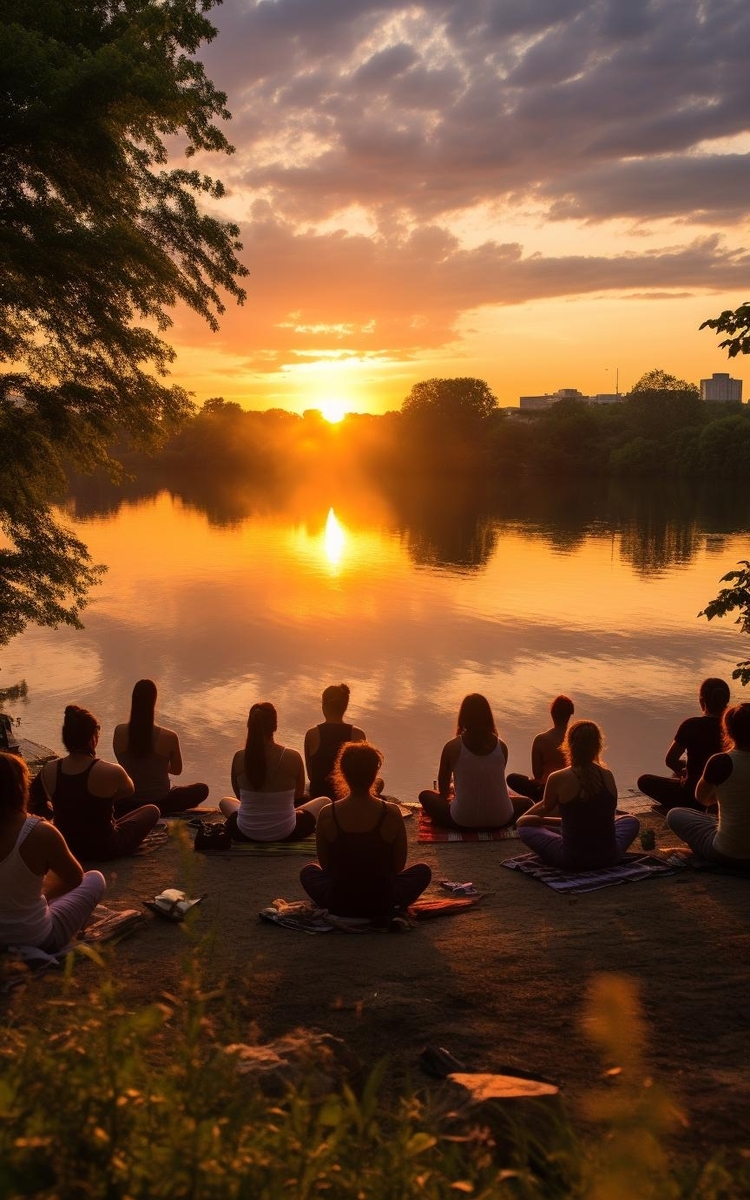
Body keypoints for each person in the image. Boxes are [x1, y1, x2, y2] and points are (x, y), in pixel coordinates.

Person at [300, 742, 431, 918]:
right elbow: (398, 866)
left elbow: (326, 867)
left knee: (309, 872)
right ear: (375, 773)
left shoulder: (327, 813)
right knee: (423, 871)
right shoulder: (391, 812)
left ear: (343, 773)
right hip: (383, 901)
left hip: (339, 903)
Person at [0, 751, 106, 951]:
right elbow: (75, 878)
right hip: (35, 937)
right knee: (95, 878)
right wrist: (45, 894)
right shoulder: (40, 832)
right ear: (20, 788)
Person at [30, 705, 160, 860]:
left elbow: (34, 798)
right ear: (92, 739)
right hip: (105, 848)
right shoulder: (111, 771)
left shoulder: (49, 770)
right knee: (152, 810)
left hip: (67, 846)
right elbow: (129, 790)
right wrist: (99, 801)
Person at [517, 720, 640, 870]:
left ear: (568, 745)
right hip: (609, 856)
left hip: (572, 859)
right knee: (631, 820)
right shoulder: (607, 775)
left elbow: (544, 808)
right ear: (598, 746)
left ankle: (565, 829)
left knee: (525, 828)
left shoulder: (557, 777)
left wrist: (525, 820)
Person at [219, 702, 330, 842]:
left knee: (225, 801)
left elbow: (239, 795)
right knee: (325, 801)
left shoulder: (239, 757)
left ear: (249, 725)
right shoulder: (292, 756)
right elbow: (298, 794)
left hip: (244, 831)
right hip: (286, 831)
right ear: (275, 726)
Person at [418, 693, 531, 828]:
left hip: (463, 820)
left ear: (464, 717)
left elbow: (443, 791)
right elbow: (489, 780)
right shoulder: (502, 746)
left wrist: (453, 790)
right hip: (501, 819)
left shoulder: (451, 746)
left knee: (425, 796)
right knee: (527, 803)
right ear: (488, 717)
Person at [665, 703, 750, 866]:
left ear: (729, 731)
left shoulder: (721, 761)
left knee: (675, 814)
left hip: (726, 852)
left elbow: (703, 799)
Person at [113, 679, 209, 816]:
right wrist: (157, 765)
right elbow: (176, 770)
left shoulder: (119, 731)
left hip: (128, 801)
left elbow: (122, 761)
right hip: (161, 800)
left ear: (133, 700)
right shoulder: (169, 737)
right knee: (202, 789)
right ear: (154, 701)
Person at [637, 677, 730, 811]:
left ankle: (680, 806)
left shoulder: (691, 725)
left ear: (702, 701)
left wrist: (686, 769)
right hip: (721, 796)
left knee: (644, 780)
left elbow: (670, 760)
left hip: (691, 794)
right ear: (726, 701)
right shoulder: (732, 727)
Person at [304, 683, 367, 800]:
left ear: (323, 706)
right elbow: (363, 776)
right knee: (379, 782)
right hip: (347, 797)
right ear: (345, 707)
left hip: (319, 795)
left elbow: (311, 775)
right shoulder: (358, 734)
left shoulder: (312, 733)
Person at [507, 695, 575, 802]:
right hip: (571, 788)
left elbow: (537, 773)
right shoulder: (576, 738)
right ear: (570, 714)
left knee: (512, 778)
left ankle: (539, 800)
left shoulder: (541, 739)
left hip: (545, 788)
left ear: (552, 714)